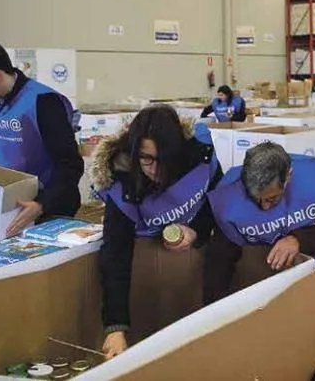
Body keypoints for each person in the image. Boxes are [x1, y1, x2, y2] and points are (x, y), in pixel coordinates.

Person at [90, 105, 222, 359]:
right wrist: (116, 326)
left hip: (192, 270)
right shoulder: (122, 182)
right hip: (145, 273)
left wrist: (196, 230)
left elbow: (217, 202)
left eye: (163, 160)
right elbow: (115, 255)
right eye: (146, 158)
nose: (154, 169)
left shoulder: (199, 157)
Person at [0, 38, 83, 236]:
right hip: (9, 204)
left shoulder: (43, 101)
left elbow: (70, 164)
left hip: (50, 206)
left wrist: (41, 204)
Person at [203, 142, 315, 304]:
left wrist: (298, 240)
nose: (264, 207)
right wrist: (216, 307)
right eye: (255, 199)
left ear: (288, 177)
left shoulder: (313, 187)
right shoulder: (231, 199)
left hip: (308, 276)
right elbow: (219, 259)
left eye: (272, 199)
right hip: (259, 284)